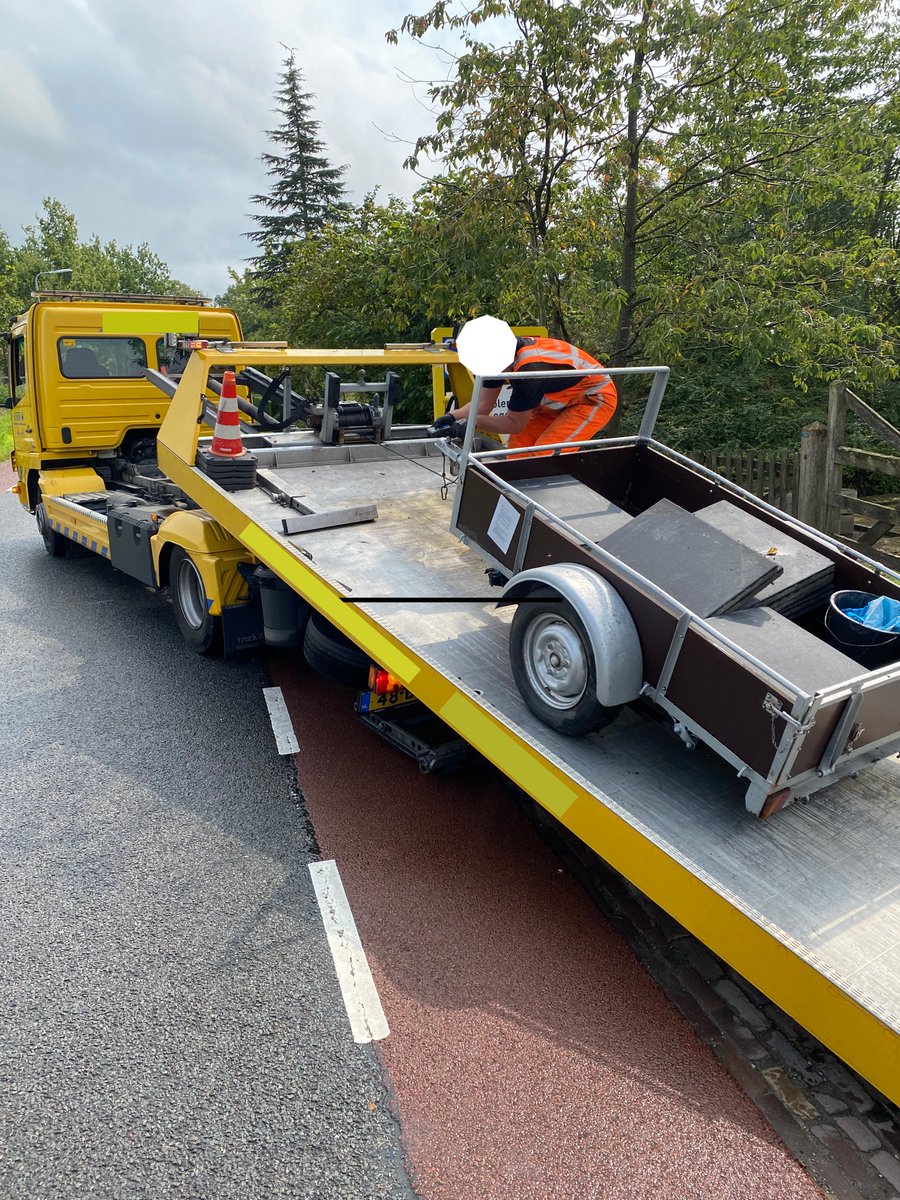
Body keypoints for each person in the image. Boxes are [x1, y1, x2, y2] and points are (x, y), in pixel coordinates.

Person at [433, 317, 617, 456]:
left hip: (592, 398)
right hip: (555, 402)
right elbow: (482, 405)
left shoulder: (531, 370)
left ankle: (542, 502)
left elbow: (515, 424)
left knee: (544, 454)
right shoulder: (498, 357)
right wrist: (451, 417)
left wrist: (472, 423)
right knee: (517, 451)